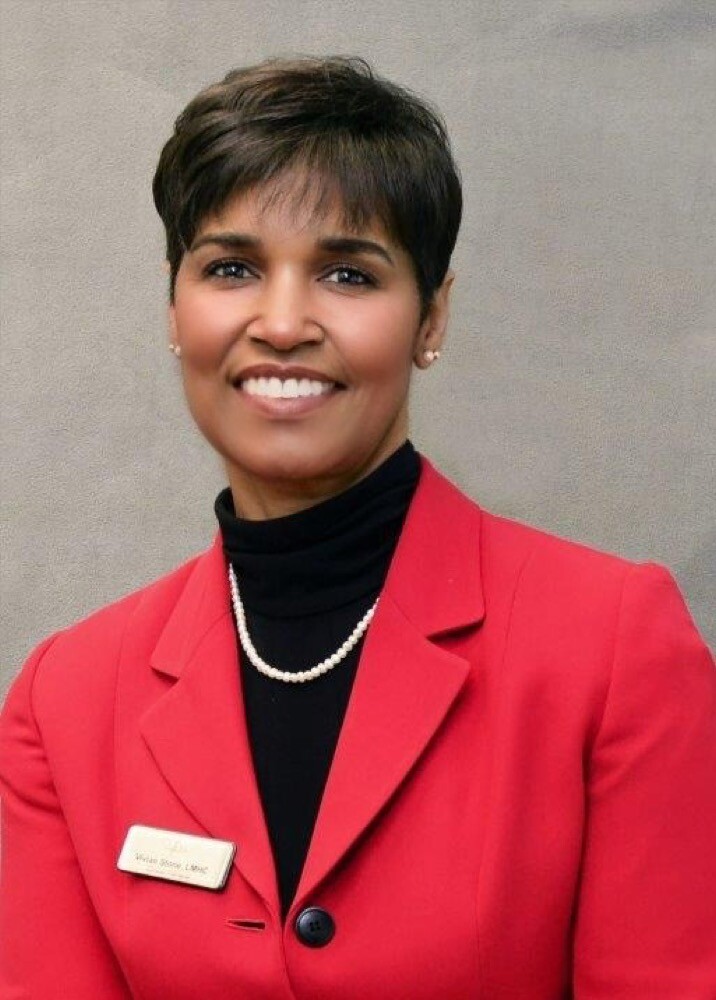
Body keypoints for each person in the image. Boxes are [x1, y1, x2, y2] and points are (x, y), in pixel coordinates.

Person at [0, 55, 714, 1000]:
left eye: (347, 271)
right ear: (176, 309)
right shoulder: (65, 701)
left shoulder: (615, 646)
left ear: (431, 317)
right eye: (232, 268)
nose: (284, 321)